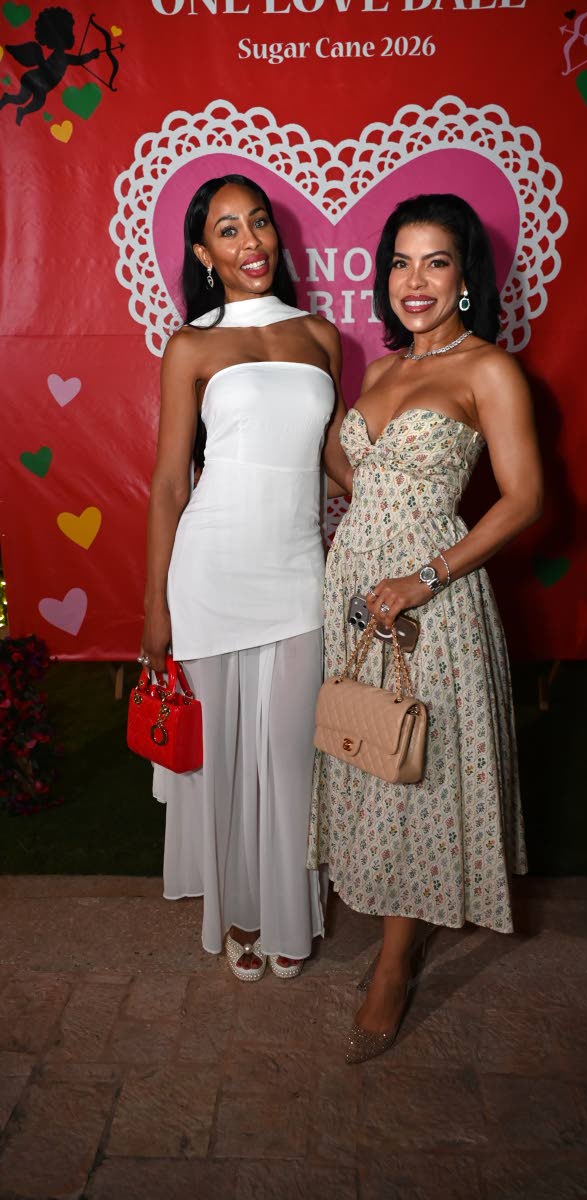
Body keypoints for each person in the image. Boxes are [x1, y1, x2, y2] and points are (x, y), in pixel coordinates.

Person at [308, 193, 542, 1061]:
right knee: (364, 746)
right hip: (356, 595)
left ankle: (395, 963)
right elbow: (357, 473)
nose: (415, 281)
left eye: (435, 262)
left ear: (464, 276)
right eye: (401, 263)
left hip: (430, 606)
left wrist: (423, 576)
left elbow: (525, 498)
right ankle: (380, 910)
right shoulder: (380, 371)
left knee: (415, 771)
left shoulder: (489, 371)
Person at [141, 174, 348, 981]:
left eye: (257, 222)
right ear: (204, 252)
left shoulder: (321, 335)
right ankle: (240, 915)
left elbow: (333, 457)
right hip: (211, 572)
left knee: (293, 757)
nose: (249, 241)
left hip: (297, 572)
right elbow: (170, 482)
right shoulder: (189, 346)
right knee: (221, 760)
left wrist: (405, 498)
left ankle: (290, 914)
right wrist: (153, 607)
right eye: (227, 230)